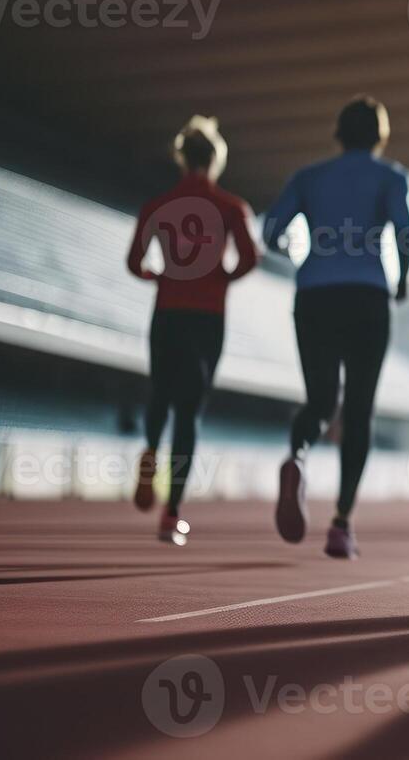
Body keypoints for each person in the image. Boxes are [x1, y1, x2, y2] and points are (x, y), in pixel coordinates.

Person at [262, 96, 409, 560]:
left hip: (315, 295)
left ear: (338, 134)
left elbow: (271, 231)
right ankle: (342, 524)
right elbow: (405, 233)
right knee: (360, 408)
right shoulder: (391, 177)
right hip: (367, 295)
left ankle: (299, 455)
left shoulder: (308, 177)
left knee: (321, 400)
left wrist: (299, 258)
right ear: (378, 137)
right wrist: (403, 278)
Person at [126, 116, 259, 544]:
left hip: (167, 311)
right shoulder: (231, 206)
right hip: (207, 316)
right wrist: (223, 277)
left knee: (159, 393)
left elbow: (134, 262)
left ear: (182, 159)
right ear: (215, 160)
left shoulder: (157, 205)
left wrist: (158, 277)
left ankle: (149, 449)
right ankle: (172, 513)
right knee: (189, 411)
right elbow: (250, 259)